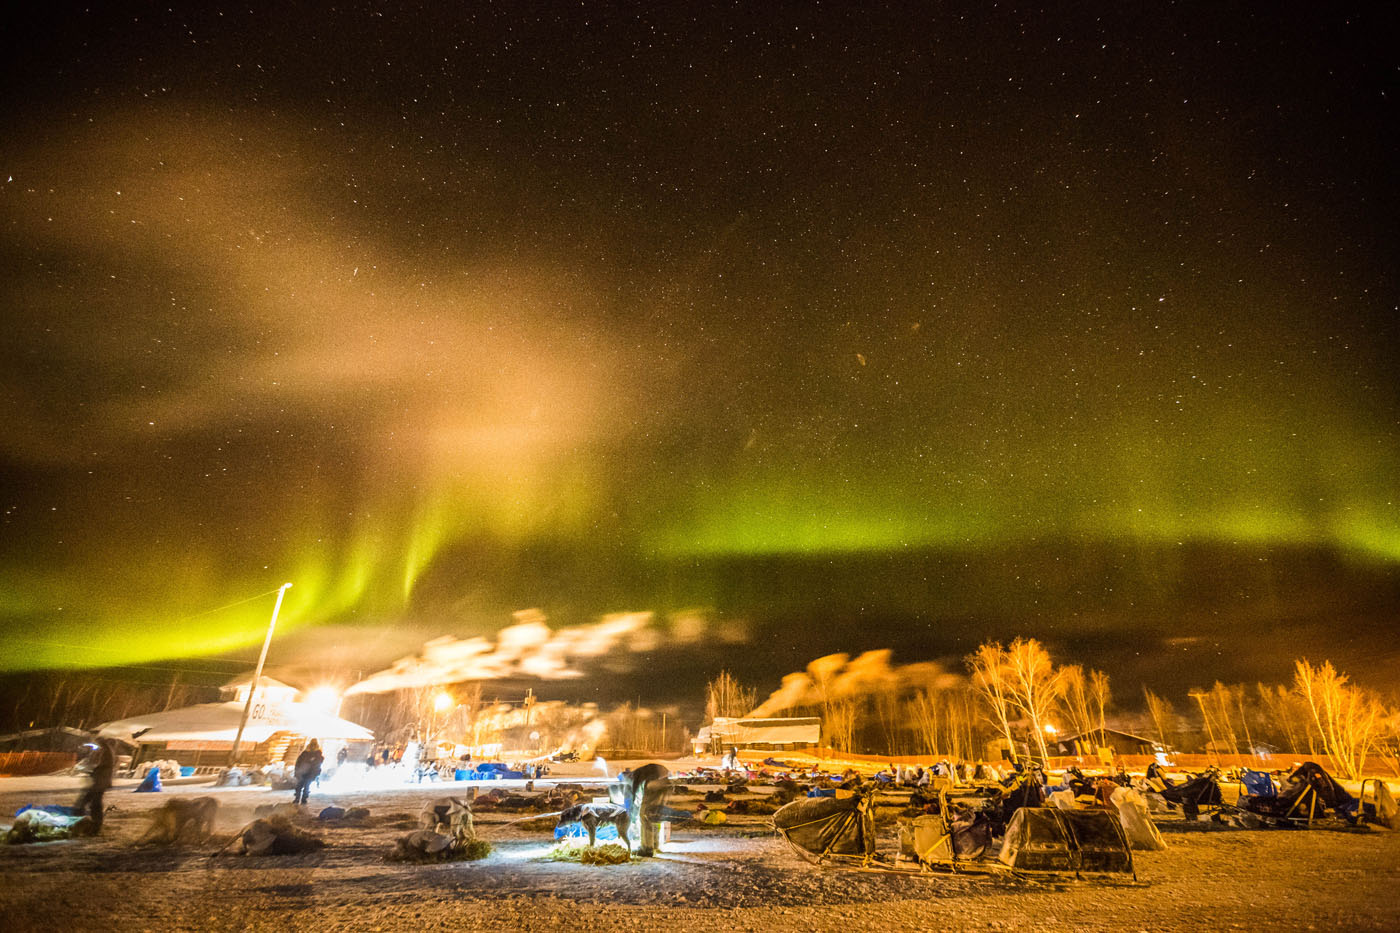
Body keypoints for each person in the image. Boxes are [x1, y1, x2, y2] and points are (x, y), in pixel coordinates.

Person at [74, 739, 115, 832]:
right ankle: (91, 822)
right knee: (91, 801)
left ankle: (92, 823)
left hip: (100, 783)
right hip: (100, 782)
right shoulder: (106, 751)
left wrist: (95, 771)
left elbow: (104, 766)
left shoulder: (107, 752)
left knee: (92, 802)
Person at [293, 739, 324, 805]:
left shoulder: (306, 753)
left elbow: (299, 762)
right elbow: (319, 762)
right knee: (305, 786)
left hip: (305, 772)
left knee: (301, 786)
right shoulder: (317, 753)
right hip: (308, 772)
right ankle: (302, 799)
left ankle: (299, 799)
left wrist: (297, 771)